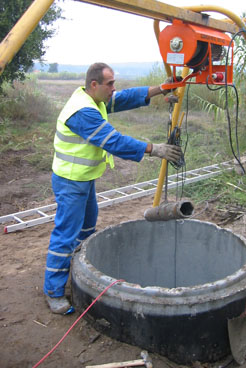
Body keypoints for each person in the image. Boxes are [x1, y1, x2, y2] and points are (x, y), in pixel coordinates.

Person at [44, 62, 182, 314]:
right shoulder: (82, 111)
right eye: (110, 84)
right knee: (66, 234)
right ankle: (53, 291)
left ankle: (78, 273)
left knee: (86, 228)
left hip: (83, 179)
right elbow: (113, 141)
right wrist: (155, 149)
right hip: (71, 181)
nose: (114, 89)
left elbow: (124, 98)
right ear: (94, 84)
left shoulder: (94, 98)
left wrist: (160, 89)